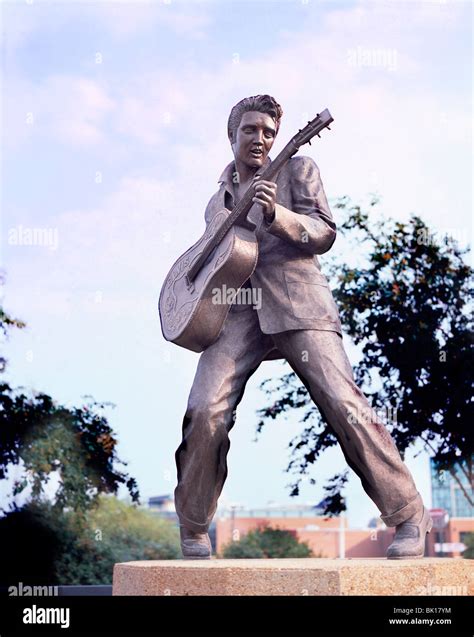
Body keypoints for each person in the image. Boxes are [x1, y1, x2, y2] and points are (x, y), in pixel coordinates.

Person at [174, 94, 432, 560]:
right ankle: (193, 525)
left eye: (268, 132)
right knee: (204, 409)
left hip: (298, 302)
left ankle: (408, 514)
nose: (260, 139)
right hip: (235, 310)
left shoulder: (298, 169)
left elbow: (324, 232)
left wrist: (276, 215)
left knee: (343, 402)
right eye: (250, 129)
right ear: (232, 135)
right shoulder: (217, 200)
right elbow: (211, 257)